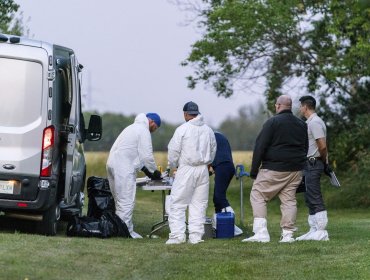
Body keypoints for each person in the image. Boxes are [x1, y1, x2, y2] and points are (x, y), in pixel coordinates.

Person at [242, 95, 308, 243]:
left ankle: (261, 233)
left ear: (278, 106)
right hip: (296, 169)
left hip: (274, 167)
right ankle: (288, 235)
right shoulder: (301, 124)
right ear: (290, 106)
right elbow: (306, 146)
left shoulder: (272, 122)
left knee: (258, 195)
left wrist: (254, 171)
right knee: (289, 200)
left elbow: (260, 147)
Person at [166, 101, 217, 244]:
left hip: (186, 168)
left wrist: (173, 165)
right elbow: (213, 150)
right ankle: (195, 236)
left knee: (178, 203)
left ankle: (177, 236)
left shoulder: (182, 129)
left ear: (185, 114)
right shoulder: (208, 130)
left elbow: (173, 151)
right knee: (199, 204)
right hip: (203, 170)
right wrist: (208, 163)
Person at [106, 112, 162, 239]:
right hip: (123, 168)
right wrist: (155, 172)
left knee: (118, 200)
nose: (154, 130)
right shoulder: (143, 131)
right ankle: (125, 233)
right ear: (152, 122)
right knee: (126, 201)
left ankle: (119, 229)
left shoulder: (130, 128)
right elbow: (147, 155)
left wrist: (146, 171)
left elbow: (133, 155)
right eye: (156, 128)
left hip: (112, 164)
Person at [296, 96, 330, 241]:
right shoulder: (310, 122)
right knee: (309, 196)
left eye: (300, 106)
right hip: (309, 164)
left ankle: (321, 231)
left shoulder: (314, 123)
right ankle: (314, 229)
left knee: (314, 196)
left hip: (314, 163)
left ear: (305, 107)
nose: (299, 109)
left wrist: (323, 161)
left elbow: (322, 146)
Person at [210, 131, 243, 236]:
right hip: (227, 167)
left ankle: (231, 226)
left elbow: (207, 158)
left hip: (222, 166)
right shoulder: (218, 136)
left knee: (219, 197)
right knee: (217, 198)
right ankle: (220, 227)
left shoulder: (207, 137)